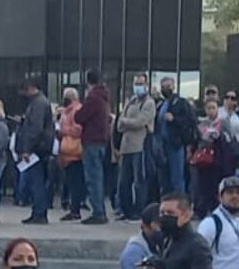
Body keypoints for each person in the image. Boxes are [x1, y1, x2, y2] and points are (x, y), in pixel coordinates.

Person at [15, 79, 57, 224]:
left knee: (36, 181)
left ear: (31, 88)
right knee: (36, 180)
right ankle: (38, 211)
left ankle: (39, 212)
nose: (24, 95)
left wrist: (27, 149)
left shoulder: (38, 103)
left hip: (38, 148)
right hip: (42, 146)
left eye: (25, 91)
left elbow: (36, 128)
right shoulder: (41, 102)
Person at [75, 70, 113, 225]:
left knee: (93, 178)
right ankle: (100, 210)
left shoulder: (93, 98)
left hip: (92, 141)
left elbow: (79, 117)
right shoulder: (104, 98)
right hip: (101, 141)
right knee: (98, 177)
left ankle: (98, 212)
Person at [117, 73, 156, 221]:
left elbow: (141, 122)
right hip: (126, 146)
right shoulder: (131, 101)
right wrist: (127, 122)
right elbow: (120, 122)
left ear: (146, 85)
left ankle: (139, 211)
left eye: (141, 83)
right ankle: (125, 210)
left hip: (140, 146)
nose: (138, 87)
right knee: (124, 181)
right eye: (136, 83)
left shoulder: (149, 103)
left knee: (140, 181)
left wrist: (126, 122)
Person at [191, 98, 234, 218]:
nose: (211, 111)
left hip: (218, 158)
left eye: (213, 108)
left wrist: (218, 136)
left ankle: (216, 209)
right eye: (208, 108)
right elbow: (196, 140)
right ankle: (201, 210)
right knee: (202, 185)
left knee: (215, 185)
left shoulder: (223, 122)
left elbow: (229, 139)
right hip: (204, 158)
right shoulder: (201, 123)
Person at [156, 76, 196, 196]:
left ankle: (180, 205)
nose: (165, 89)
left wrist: (174, 119)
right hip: (161, 146)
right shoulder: (161, 104)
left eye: (168, 86)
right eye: (163, 87)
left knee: (177, 178)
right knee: (164, 179)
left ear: (173, 86)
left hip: (175, 145)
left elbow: (190, 121)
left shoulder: (181, 102)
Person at [55, 87, 87, 220]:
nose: (65, 98)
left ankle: (75, 209)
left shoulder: (77, 110)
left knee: (75, 181)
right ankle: (72, 207)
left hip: (74, 150)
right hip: (66, 150)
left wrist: (63, 129)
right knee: (70, 181)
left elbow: (78, 129)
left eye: (67, 96)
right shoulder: (65, 112)